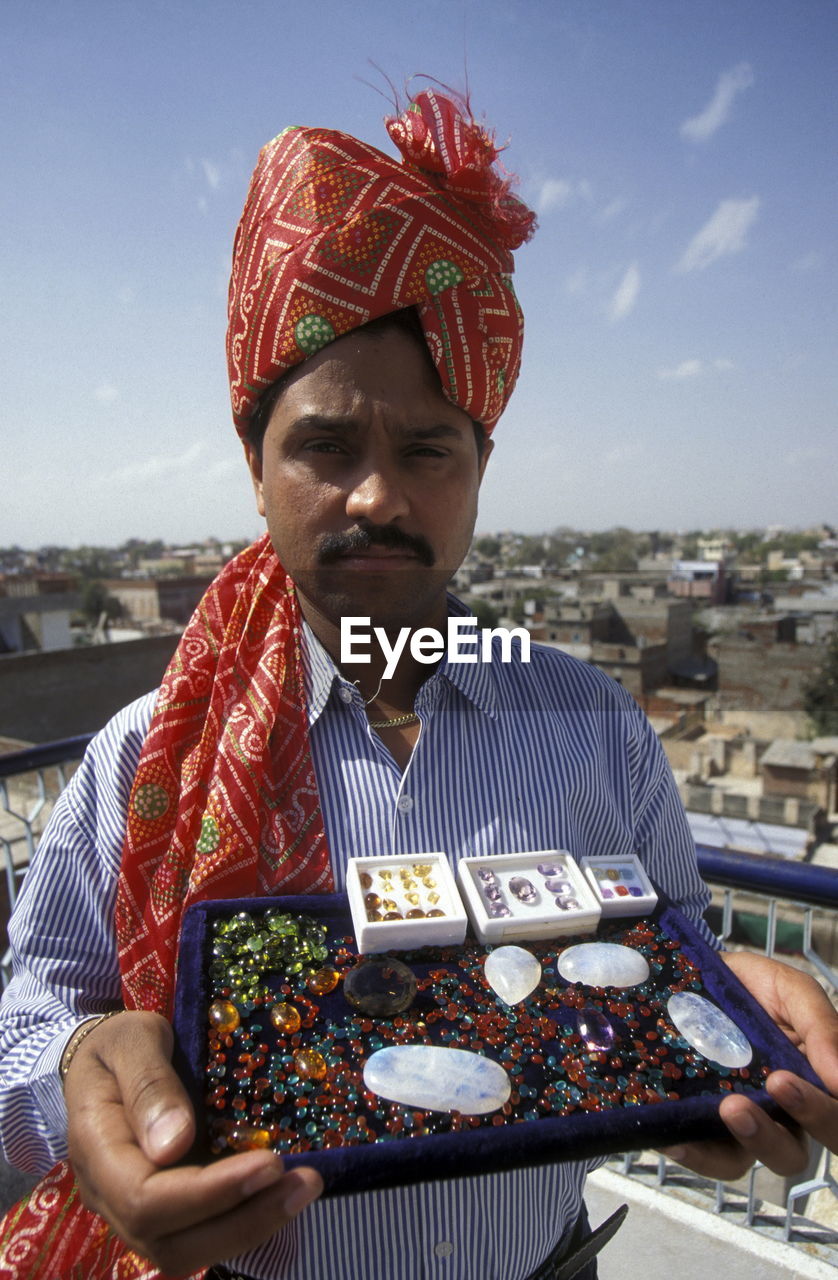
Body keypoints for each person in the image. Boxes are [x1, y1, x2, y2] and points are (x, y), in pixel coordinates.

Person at [1, 88, 837, 1280]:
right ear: (255, 466)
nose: (377, 498)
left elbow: (675, 953)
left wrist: (734, 1030)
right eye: (326, 445)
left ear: (481, 468)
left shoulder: (591, 728)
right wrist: (74, 1073)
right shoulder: (147, 756)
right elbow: (26, 1024)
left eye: (427, 449)